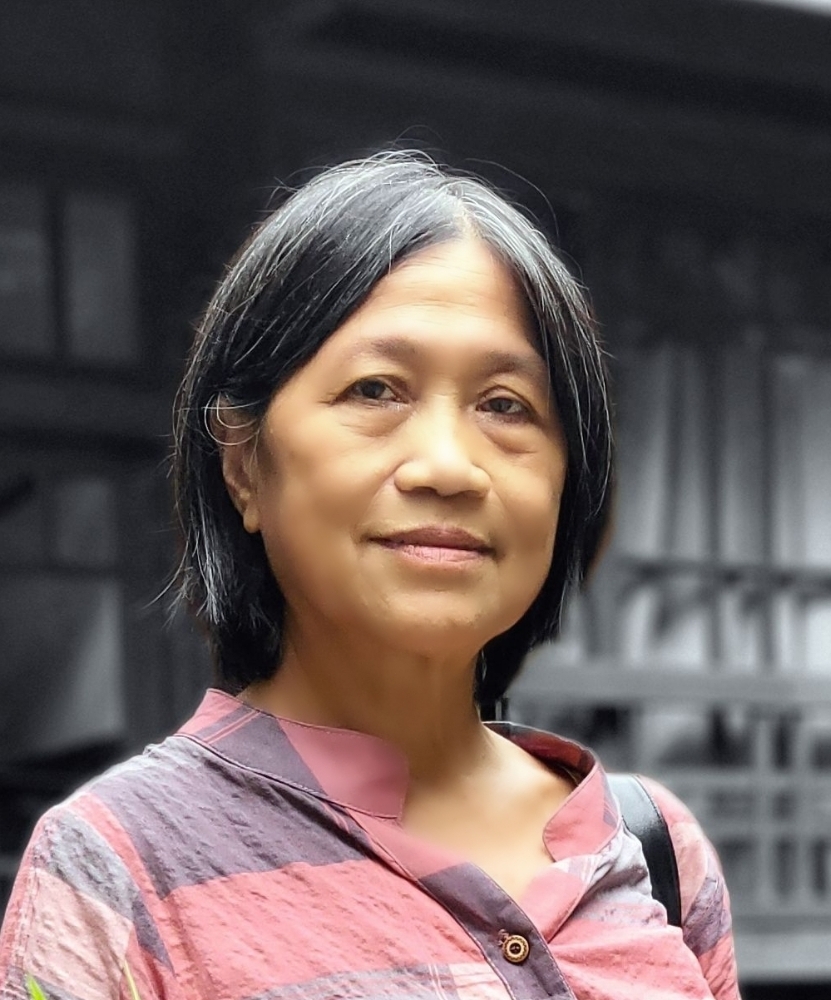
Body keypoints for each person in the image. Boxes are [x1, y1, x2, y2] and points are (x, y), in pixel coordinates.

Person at [0, 152, 740, 1000]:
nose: (448, 466)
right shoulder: (116, 869)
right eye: (376, 389)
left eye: (506, 405)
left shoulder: (657, 851)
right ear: (242, 465)